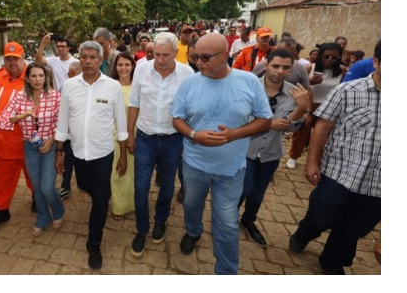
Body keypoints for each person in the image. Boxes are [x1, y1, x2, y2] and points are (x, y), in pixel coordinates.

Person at [171, 33, 272, 275]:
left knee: (226, 222)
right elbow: (177, 119)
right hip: (195, 165)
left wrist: (234, 134)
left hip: (232, 169)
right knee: (192, 205)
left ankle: (226, 271)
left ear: (225, 55)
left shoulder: (248, 82)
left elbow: (265, 121)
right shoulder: (189, 83)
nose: (199, 63)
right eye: (196, 57)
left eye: (205, 57)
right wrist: (195, 135)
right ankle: (193, 231)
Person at [289, 40, 381, 275]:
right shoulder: (348, 91)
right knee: (321, 216)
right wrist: (312, 162)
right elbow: (323, 126)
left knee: (354, 229)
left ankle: (332, 260)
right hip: (339, 173)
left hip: (378, 185)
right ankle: (305, 232)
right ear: (376, 62)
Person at [54, 40, 128, 270]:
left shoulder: (112, 86)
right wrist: (59, 152)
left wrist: (123, 155)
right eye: (84, 57)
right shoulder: (69, 86)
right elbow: (63, 120)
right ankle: (96, 200)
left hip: (103, 152)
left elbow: (122, 124)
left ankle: (94, 243)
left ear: (101, 60)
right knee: (84, 186)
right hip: (77, 152)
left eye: (92, 57)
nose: (87, 61)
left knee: (100, 196)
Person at [128, 32, 194, 257]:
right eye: (157, 54)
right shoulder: (141, 69)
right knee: (141, 186)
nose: (160, 59)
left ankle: (161, 220)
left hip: (173, 139)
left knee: (167, 185)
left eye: (166, 55)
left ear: (176, 53)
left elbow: (191, 108)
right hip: (145, 137)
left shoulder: (187, 74)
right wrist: (130, 134)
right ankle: (141, 228)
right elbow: (134, 102)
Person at [239, 50, 309, 247]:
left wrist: (300, 109)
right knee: (245, 188)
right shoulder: (249, 86)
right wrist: (268, 123)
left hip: (271, 151)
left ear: (291, 69)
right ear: (266, 65)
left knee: (258, 192)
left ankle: (248, 220)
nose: (280, 71)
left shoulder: (295, 93)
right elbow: (239, 117)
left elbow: (291, 127)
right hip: (246, 148)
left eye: (286, 67)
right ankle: (229, 216)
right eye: (276, 66)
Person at [0, 62, 64, 237]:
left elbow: (64, 123)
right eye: (34, 76)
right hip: (30, 147)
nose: (38, 79)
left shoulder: (55, 97)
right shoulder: (19, 97)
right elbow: (3, 120)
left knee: (47, 187)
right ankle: (42, 217)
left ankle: (58, 211)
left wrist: (51, 140)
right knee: (36, 187)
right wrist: (22, 115)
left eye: (41, 76)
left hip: (49, 147)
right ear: (27, 78)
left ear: (46, 77)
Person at [0, 42, 35, 230]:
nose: (12, 62)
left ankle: (37, 198)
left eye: (16, 58)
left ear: (23, 58)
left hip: (25, 141)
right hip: (1, 142)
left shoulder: (33, 77)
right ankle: (1, 210)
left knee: (33, 174)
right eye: (8, 58)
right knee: (2, 178)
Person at [286, 42, 347, 169]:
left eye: (334, 57)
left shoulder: (342, 70)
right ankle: (293, 156)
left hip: (329, 106)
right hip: (310, 104)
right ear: (320, 56)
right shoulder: (310, 68)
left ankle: (316, 160)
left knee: (323, 135)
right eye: (326, 56)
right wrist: (310, 82)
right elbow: (299, 86)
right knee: (302, 131)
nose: (329, 60)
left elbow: (342, 88)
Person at [109, 51, 137, 221]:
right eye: (120, 64)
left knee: (135, 173)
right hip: (115, 136)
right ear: (115, 66)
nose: (123, 68)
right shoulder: (111, 86)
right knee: (118, 172)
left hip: (136, 135)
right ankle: (118, 207)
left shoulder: (138, 86)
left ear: (133, 66)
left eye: (127, 64)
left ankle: (133, 204)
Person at [57, 61, 82, 200]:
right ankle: (65, 186)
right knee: (68, 159)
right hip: (68, 133)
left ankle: (85, 184)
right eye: (72, 76)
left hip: (82, 133)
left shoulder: (88, 87)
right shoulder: (63, 87)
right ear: (68, 75)